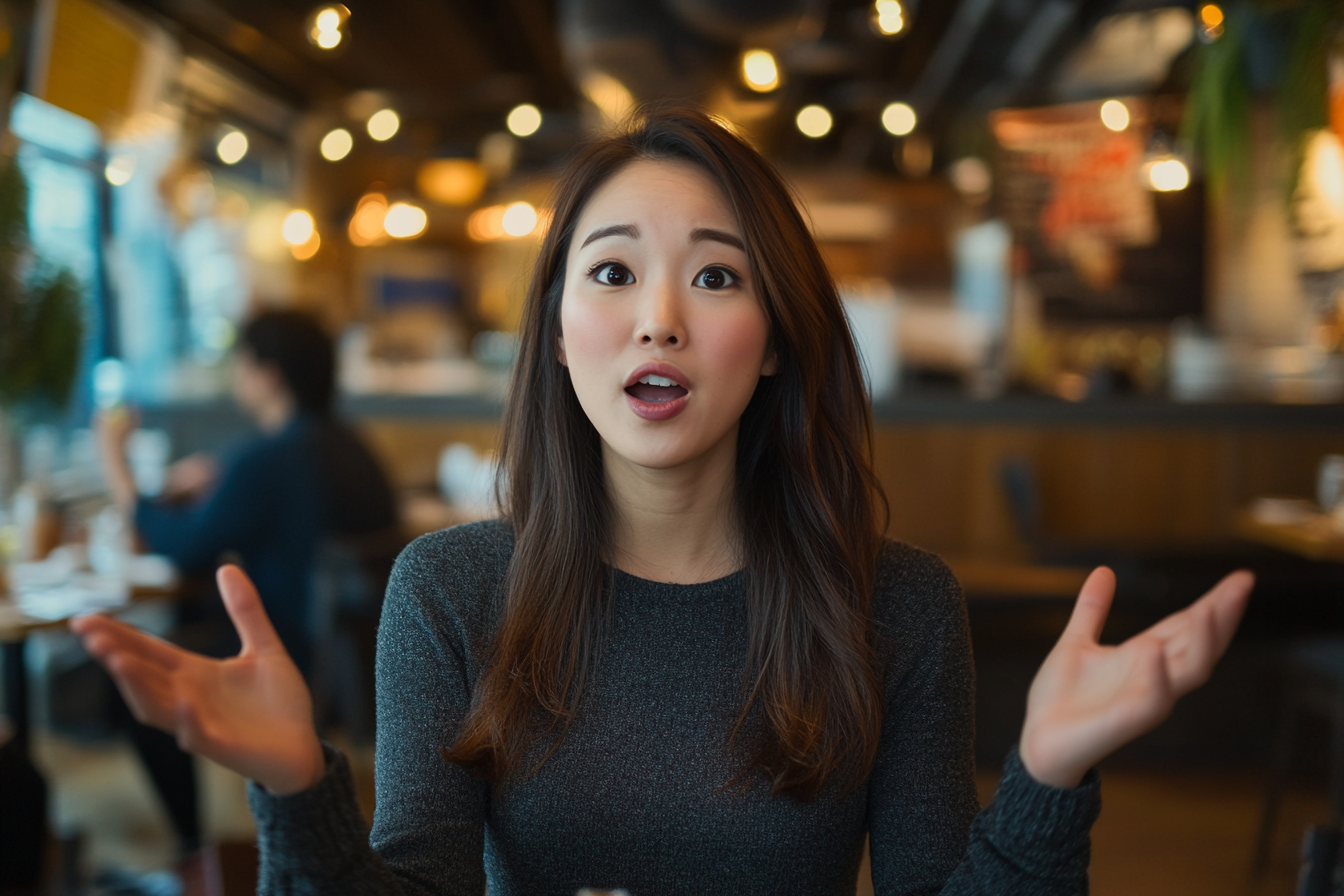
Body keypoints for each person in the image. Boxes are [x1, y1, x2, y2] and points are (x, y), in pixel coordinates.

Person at [75, 108, 1253, 895]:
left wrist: (1045, 777)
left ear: (777, 339)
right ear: (555, 333)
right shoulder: (447, 589)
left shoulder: (898, 605)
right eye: (613, 270)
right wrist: (299, 790)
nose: (660, 318)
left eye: (716, 273)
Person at [94, 309, 398, 857]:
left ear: (269, 373)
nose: (237, 376)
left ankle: (192, 851)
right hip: (359, 668)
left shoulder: (265, 460)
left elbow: (183, 548)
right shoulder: (354, 448)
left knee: (132, 680)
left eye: (242, 363)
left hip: (283, 658)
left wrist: (116, 465)